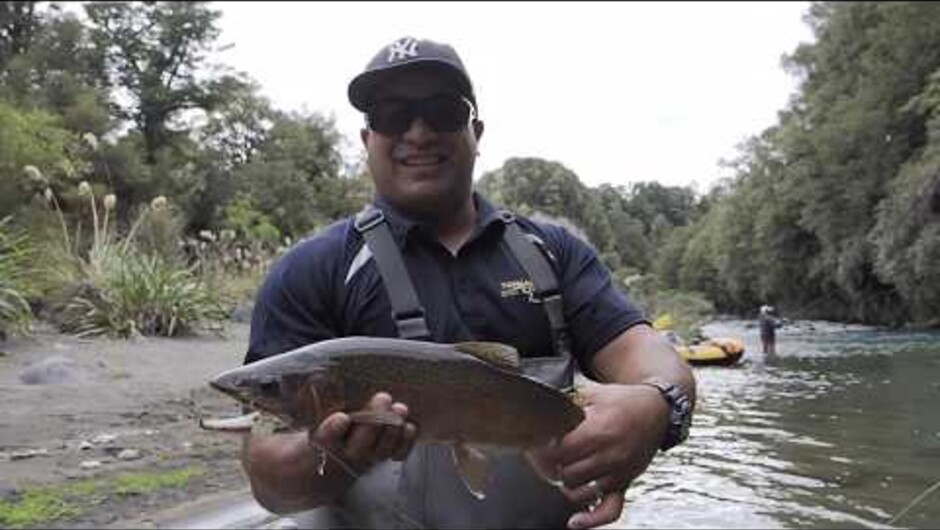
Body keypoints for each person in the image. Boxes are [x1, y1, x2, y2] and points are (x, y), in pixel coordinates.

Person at [239, 36, 696, 529]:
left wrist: (655, 406)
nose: (418, 132)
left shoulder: (554, 253)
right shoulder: (311, 269)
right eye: (392, 115)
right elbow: (269, 482)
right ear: (366, 139)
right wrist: (333, 454)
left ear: (476, 131)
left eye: (442, 111)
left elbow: (652, 356)